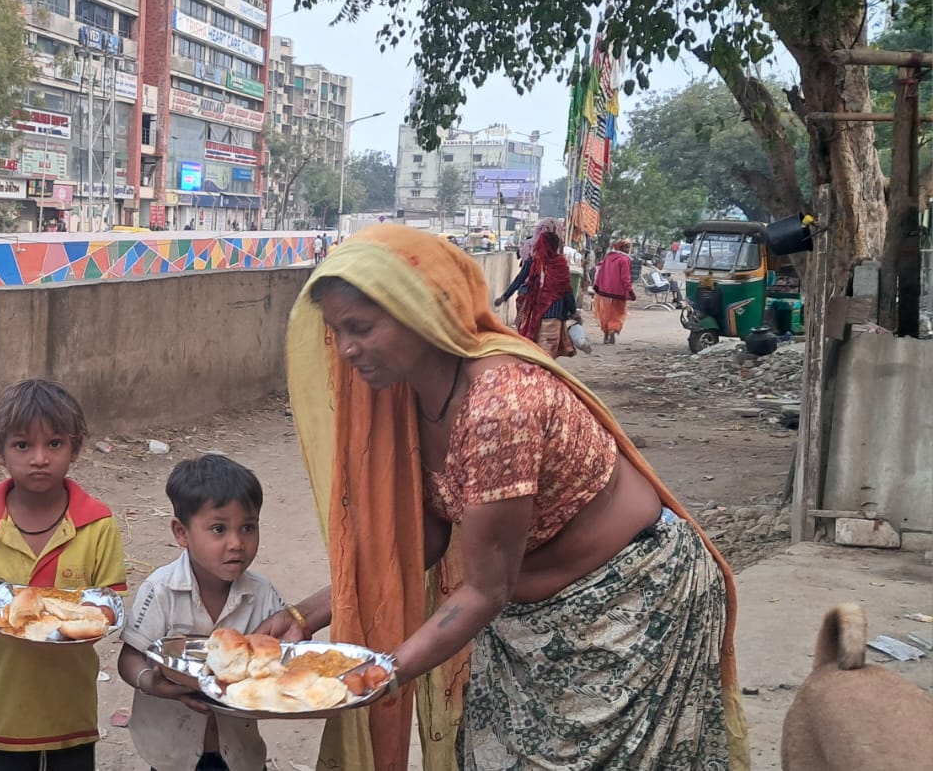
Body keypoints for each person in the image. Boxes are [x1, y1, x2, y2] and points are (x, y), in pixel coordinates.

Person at [262, 224, 748, 770]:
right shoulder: (402, 396)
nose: (347, 350)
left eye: (361, 328)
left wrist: (382, 673)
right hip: (519, 623)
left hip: (631, 606)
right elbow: (422, 538)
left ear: (419, 313)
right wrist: (304, 617)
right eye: (336, 332)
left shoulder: (500, 407)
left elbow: (486, 587)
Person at [0, 379, 128, 770]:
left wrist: (91, 617)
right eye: (22, 445)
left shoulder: (96, 523)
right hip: (6, 710)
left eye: (55, 443)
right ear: (1, 452)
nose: (39, 458)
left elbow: (108, 608)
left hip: (72, 712)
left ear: (75, 448)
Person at [118, 455, 286, 771]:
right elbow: (129, 658)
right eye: (219, 529)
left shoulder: (263, 594)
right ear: (181, 533)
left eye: (248, 527)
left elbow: (285, 656)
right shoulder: (161, 590)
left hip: (240, 754)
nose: (237, 543)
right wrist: (151, 683)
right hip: (171, 754)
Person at [497, 231, 576, 357]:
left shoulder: (533, 261)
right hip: (554, 314)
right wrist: (573, 311)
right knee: (547, 353)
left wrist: (504, 296)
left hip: (535, 314)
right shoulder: (559, 264)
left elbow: (519, 279)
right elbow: (567, 290)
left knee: (539, 352)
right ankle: (544, 372)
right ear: (556, 246)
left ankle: (542, 372)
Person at [594, 239, 636, 344]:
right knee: (619, 313)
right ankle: (613, 330)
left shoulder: (608, 257)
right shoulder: (624, 259)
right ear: (621, 248)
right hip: (619, 292)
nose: (628, 250)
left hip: (605, 291)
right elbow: (625, 278)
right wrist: (630, 291)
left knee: (605, 313)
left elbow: (601, 273)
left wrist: (598, 286)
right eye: (626, 247)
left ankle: (606, 334)